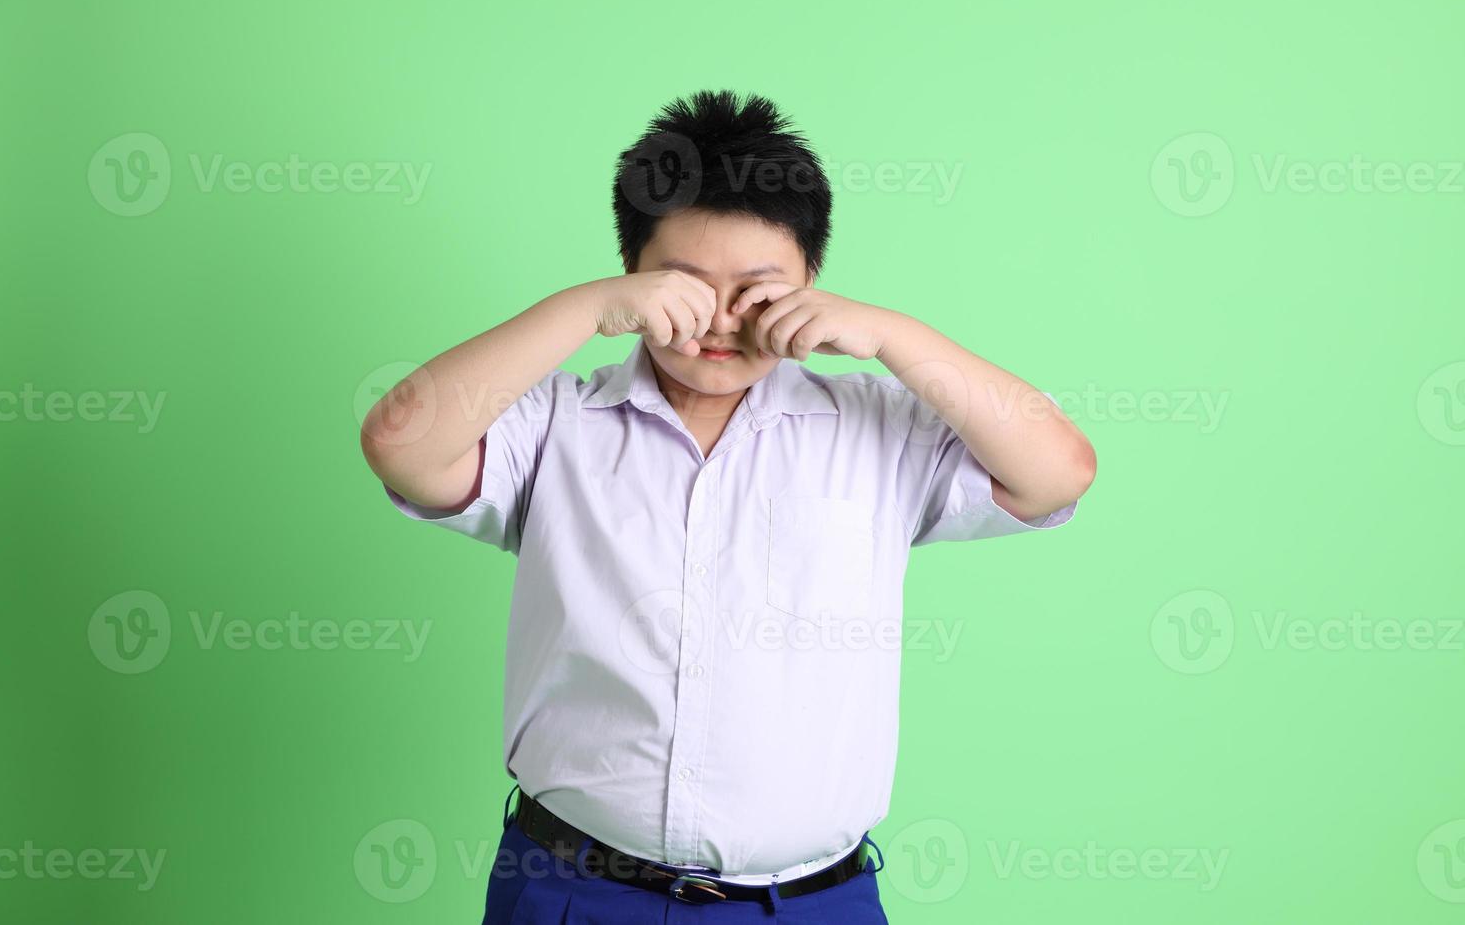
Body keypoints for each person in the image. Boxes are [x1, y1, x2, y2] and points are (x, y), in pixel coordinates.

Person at [359, 89, 1096, 923]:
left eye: (758, 289)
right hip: (572, 889)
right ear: (631, 273)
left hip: (813, 900)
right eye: (681, 284)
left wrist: (894, 336)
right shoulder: (555, 424)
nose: (717, 321)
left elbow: (1060, 469)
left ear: (812, 283)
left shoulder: (880, 432)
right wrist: (582, 309)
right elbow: (400, 441)